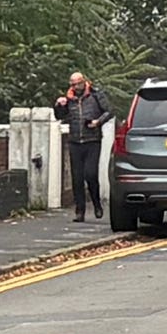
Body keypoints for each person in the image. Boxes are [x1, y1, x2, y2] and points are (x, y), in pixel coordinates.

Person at [55, 71, 110, 222]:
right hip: (75, 141)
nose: (74, 87)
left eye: (76, 84)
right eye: (71, 84)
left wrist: (97, 122)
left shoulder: (95, 94)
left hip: (92, 140)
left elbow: (108, 111)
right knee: (77, 178)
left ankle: (97, 203)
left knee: (91, 174)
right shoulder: (69, 98)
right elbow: (60, 116)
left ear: (83, 82)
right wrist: (59, 105)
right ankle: (80, 211)